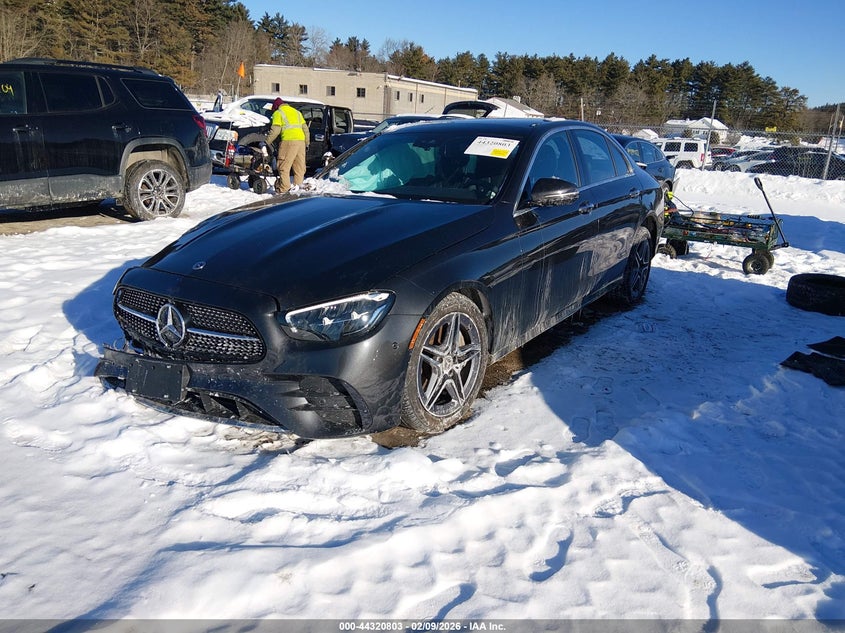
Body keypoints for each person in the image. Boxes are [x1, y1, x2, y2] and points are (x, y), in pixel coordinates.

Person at [265, 97, 309, 193]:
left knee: (283, 166)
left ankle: (284, 190)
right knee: (299, 168)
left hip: (289, 141)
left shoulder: (278, 113)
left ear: (276, 107)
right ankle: (298, 190)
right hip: (301, 142)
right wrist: (307, 143)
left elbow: (275, 130)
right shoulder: (297, 112)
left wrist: (266, 142)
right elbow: (305, 129)